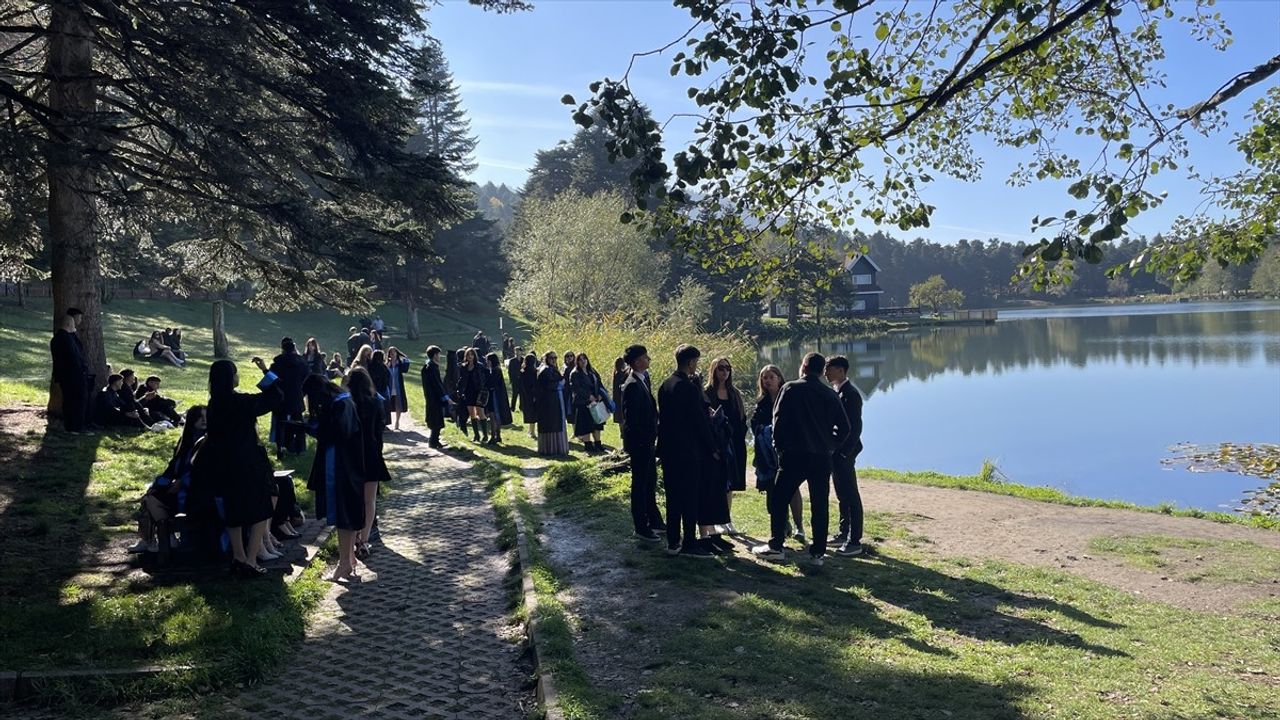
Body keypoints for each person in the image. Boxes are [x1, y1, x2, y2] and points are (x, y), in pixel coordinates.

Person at [752, 352, 850, 566]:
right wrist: (831, 445)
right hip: (821, 457)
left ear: (803, 367)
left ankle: (776, 545)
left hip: (794, 455)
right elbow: (845, 428)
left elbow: (778, 420)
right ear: (820, 370)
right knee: (819, 503)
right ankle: (817, 553)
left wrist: (779, 448)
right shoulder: (829, 394)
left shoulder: (790, 389)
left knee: (779, 499)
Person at [194, 357, 283, 578]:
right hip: (247, 462)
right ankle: (251, 560)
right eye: (235, 373)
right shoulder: (241, 403)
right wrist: (266, 372)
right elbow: (276, 397)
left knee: (233, 510)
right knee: (261, 509)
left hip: (223, 463)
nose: (237, 376)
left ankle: (238, 556)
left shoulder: (213, 404)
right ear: (230, 378)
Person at [657, 344, 718, 559]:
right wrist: (712, 447)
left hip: (668, 448)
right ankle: (690, 542)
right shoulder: (688, 387)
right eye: (696, 362)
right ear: (691, 362)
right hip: (688, 449)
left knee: (673, 495)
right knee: (690, 495)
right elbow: (699, 421)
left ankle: (673, 541)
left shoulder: (665, 385)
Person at [302, 373, 364, 582]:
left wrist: (311, 427)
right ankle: (349, 559)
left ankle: (344, 563)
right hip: (348, 466)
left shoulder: (340, 405)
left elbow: (337, 433)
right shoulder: (344, 400)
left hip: (341, 467)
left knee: (343, 516)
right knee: (345, 516)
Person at [130, 405, 207, 554]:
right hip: (180, 489)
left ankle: (155, 538)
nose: (204, 420)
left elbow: (202, 472)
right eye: (200, 417)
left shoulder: (209, 441)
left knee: (151, 500)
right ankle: (161, 537)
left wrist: (182, 482)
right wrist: (158, 484)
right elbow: (172, 468)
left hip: (196, 493)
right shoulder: (185, 442)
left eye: (206, 417)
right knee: (150, 497)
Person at [751, 364, 805, 541]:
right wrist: (764, 431)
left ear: (779, 378)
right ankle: (782, 525)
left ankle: (799, 527)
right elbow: (754, 424)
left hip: (787, 451)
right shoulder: (761, 403)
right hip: (767, 455)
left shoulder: (790, 396)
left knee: (793, 488)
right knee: (771, 491)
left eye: (771, 377)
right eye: (764, 378)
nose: (767, 381)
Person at [620, 345, 664, 541]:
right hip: (640, 444)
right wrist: (642, 442)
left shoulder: (643, 379)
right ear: (637, 362)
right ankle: (641, 526)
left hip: (647, 442)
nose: (649, 360)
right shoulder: (631, 384)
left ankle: (653, 519)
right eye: (646, 358)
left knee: (650, 481)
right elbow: (632, 420)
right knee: (640, 484)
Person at [347, 367, 390, 561]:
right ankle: (364, 539)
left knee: (354, 499)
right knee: (370, 499)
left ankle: (354, 536)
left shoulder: (348, 403)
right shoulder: (375, 402)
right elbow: (380, 428)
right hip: (372, 452)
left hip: (352, 454)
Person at [825, 356, 865, 556]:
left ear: (841, 371)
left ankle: (855, 540)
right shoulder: (838, 392)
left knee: (851, 494)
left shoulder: (851, 394)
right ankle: (843, 533)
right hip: (836, 452)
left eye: (829, 369)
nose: (825, 373)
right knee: (841, 494)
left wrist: (843, 453)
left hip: (844, 452)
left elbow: (855, 428)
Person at [705, 358, 747, 534]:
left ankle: (726, 519)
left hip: (734, 443)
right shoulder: (707, 392)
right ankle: (712, 520)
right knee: (715, 482)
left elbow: (742, 418)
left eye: (728, 368)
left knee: (730, 482)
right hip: (716, 444)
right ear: (714, 370)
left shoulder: (734, 393)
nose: (724, 371)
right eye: (721, 368)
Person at [50, 307, 93, 433]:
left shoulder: (58, 338)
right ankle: (75, 427)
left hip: (67, 376)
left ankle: (71, 426)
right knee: (76, 401)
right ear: (69, 324)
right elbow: (74, 358)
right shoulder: (66, 339)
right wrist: (83, 370)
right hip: (73, 376)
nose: (75, 325)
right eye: (73, 323)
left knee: (70, 401)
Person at [269, 337, 310, 458]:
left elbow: (272, 379)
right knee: (298, 422)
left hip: (281, 396)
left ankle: (280, 448)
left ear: (282, 349)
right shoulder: (302, 363)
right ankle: (300, 447)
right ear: (294, 348)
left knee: (281, 423)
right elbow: (307, 379)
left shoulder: (277, 363)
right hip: (297, 395)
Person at [569, 353, 607, 452]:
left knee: (597, 423)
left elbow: (599, 383)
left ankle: (598, 443)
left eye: (584, 359)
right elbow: (576, 388)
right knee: (585, 425)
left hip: (596, 401)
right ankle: (588, 445)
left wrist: (600, 394)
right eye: (580, 360)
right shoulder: (575, 373)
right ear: (577, 361)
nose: (583, 361)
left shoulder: (592, 371)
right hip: (583, 403)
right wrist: (588, 396)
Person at [535, 351, 569, 456]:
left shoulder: (551, 369)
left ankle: (555, 448)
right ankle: (552, 448)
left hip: (555, 400)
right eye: (551, 358)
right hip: (549, 403)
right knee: (552, 424)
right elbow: (549, 386)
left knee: (556, 423)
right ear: (546, 359)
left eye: (555, 357)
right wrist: (561, 383)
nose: (554, 360)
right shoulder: (545, 370)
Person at [421, 345, 449, 449]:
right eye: (438, 354)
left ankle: (435, 440)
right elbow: (437, 384)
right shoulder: (432, 367)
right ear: (434, 355)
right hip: (435, 398)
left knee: (435, 419)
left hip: (431, 397)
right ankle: (433, 441)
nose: (439, 357)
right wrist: (444, 397)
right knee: (436, 420)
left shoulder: (427, 366)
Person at [460, 348, 489, 442]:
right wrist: (459, 390)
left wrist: (484, 388)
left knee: (481, 412)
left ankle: (485, 435)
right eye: (468, 355)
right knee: (472, 413)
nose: (470, 357)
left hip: (479, 391)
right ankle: (476, 435)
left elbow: (485, 377)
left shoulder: (479, 366)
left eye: (472, 355)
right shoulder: (464, 367)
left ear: (474, 356)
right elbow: (461, 379)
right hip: (468, 392)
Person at [485, 352, 513, 444]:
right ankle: (498, 435)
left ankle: (494, 436)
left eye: (488, 360)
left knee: (493, 416)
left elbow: (491, 383)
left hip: (494, 396)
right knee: (494, 416)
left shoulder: (495, 371)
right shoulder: (496, 370)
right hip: (495, 395)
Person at [385, 346, 411, 431]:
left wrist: (404, 357)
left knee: (398, 404)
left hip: (397, 386)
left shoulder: (399, 364)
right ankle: (387, 422)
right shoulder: (386, 364)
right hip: (389, 387)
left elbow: (406, 367)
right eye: (391, 353)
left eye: (394, 353)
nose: (393, 355)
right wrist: (387, 366)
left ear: (397, 353)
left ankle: (397, 422)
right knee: (387, 405)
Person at [519, 353, 539, 439]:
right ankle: (532, 431)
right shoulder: (536, 372)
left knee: (530, 413)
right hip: (534, 395)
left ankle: (531, 431)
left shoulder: (523, 372)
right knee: (534, 413)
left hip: (526, 395)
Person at [561, 351, 577, 423]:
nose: (569, 357)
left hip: (574, 392)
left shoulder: (576, 367)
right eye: (567, 356)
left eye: (571, 356)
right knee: (569, 412)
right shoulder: (564, 367)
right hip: (567, 392)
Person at [611, 357, 627, 426]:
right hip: (621, 398)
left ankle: (622, 432)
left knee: (620, 419)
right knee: (623, 418)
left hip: (617, 399)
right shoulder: (621, 374)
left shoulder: (616, 373)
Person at [506, 350, 523, 414]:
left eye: (519, 352)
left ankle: (521, 407)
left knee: (522, 394)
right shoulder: (512, 360)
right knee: (515, 394)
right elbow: (510, 371)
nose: (518, 353)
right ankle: (512, 407)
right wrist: (511, 379)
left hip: (522, 380)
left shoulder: (523, 360)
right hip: (515, 380)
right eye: (516, 352)